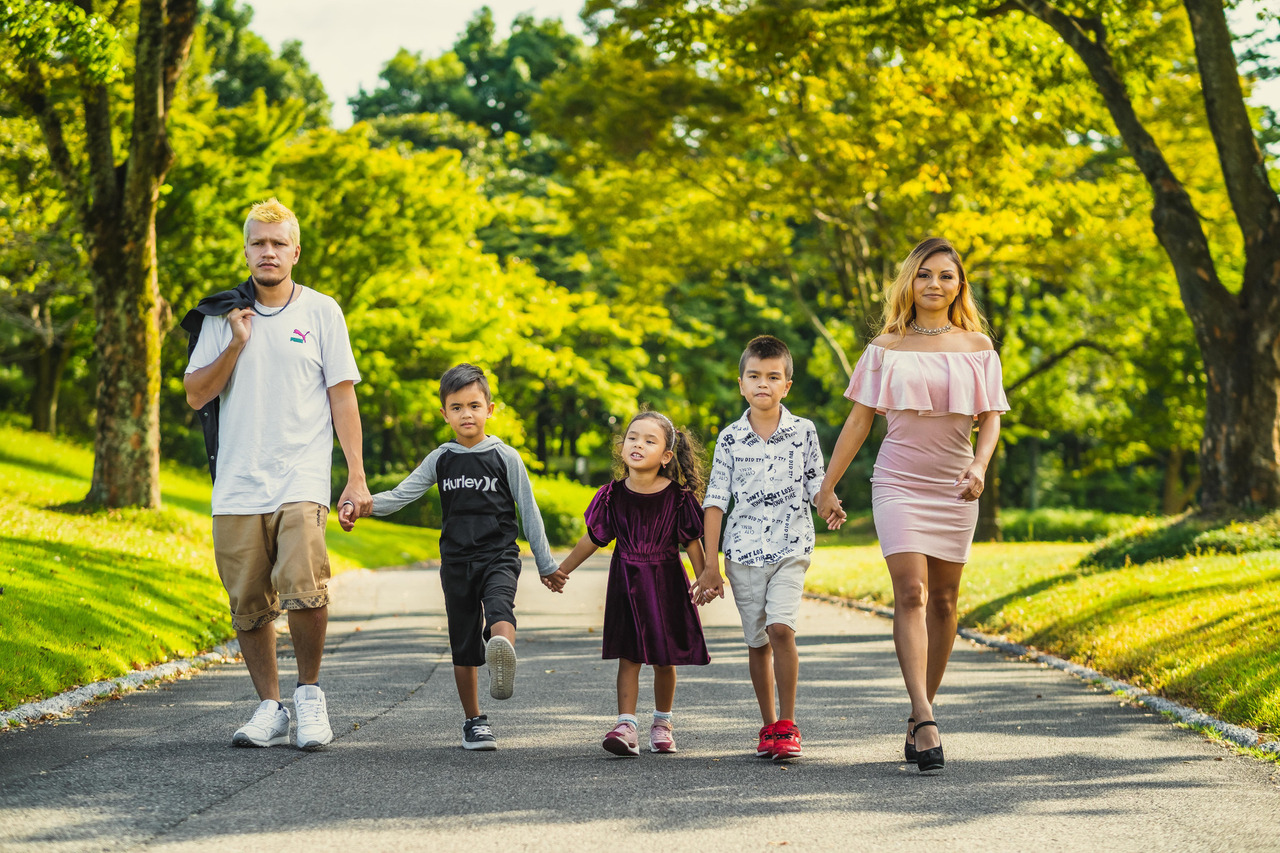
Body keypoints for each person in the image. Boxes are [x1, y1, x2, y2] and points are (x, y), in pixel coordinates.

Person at [815, 236, 1009, 775]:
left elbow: (991, 416)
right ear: (910, 282)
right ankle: (924, 717)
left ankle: (920, 709)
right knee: (912, 592)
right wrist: (828, 485)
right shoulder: (884, 347)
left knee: (946, 602)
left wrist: (980, 467)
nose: (935, 284)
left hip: (955, 484)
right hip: (897, 480)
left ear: (958, 285)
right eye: (925, 274)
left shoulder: (978, 348)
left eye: (946, 276)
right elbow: (859, 420)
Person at [182, 197, 370, 750]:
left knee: (304, 587)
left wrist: (355, 477)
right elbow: (197, 395)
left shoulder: (321, 311)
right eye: (258, 243)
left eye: (277, 243)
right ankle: (270, 706)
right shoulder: (222, 316)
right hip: (237, 481)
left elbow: (343, 398)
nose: (268, 252)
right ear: (246, 250)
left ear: (295, 252)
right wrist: (236, 343)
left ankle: (309, 697)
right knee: (247, 601)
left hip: (301, 478)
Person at [339, 363, 557, 750]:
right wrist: (362, 505)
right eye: (456, 407)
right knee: (462, 639)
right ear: (444, 414)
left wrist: (546, 564)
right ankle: (474, 721)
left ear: (490, 409)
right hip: (456, 561)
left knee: (501, 607)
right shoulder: (440, 459)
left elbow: (529, 511)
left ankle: (501, 652)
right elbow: (401, 495)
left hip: (499, 555)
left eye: (474, 405)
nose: (466, 414)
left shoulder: (506, 457)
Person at [698, 335, 842, 761]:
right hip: (742, 555)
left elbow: (817, 480)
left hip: (791, 547)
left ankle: (788, 724)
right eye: (755, 376)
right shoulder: (730, 438)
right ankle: (767, 725)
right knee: (758, 641)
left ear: (787, 385)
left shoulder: (803, 431)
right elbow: (715, 499)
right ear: (741, 384)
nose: (763, 383)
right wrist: (710, 564)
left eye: (773, 377)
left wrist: (827, 498)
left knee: (781, 628)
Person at [544, 412, 710, 757]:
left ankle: (662, 723)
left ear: (666, 456)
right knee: (629, 656)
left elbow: (692, 540)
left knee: (665, 660)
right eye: (633, 437)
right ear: (622, 447)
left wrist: (704, 577)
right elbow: (593, 538)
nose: (638, 444)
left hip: (666, 582)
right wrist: (563, 569)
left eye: (650, 440)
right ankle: (626, 725)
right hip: (627, 582)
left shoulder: (678, 498)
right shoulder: (611, 496)